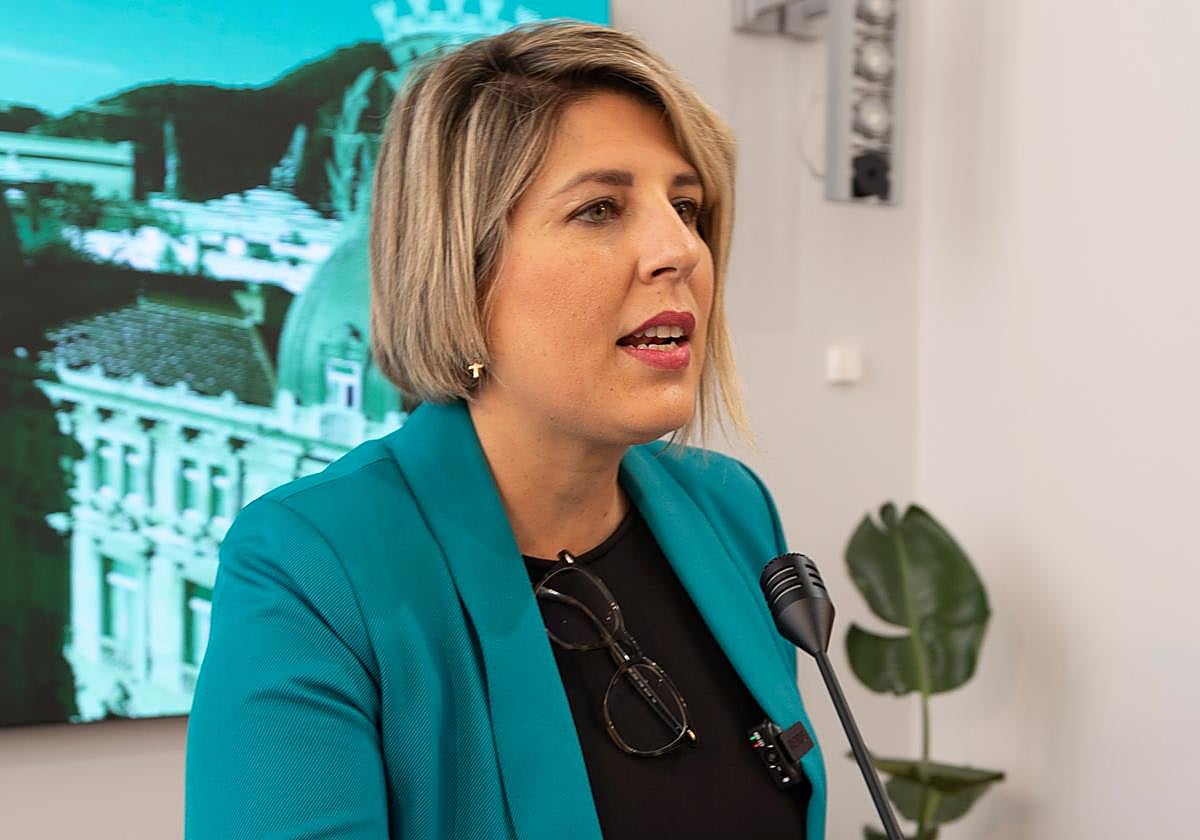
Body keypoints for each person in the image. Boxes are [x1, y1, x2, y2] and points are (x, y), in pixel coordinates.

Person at [185, 20, 827, 840]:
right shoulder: (310, 568)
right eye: (599, 209)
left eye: (686, 206)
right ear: (463, 268)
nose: (681, 250)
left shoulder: (731, 509)